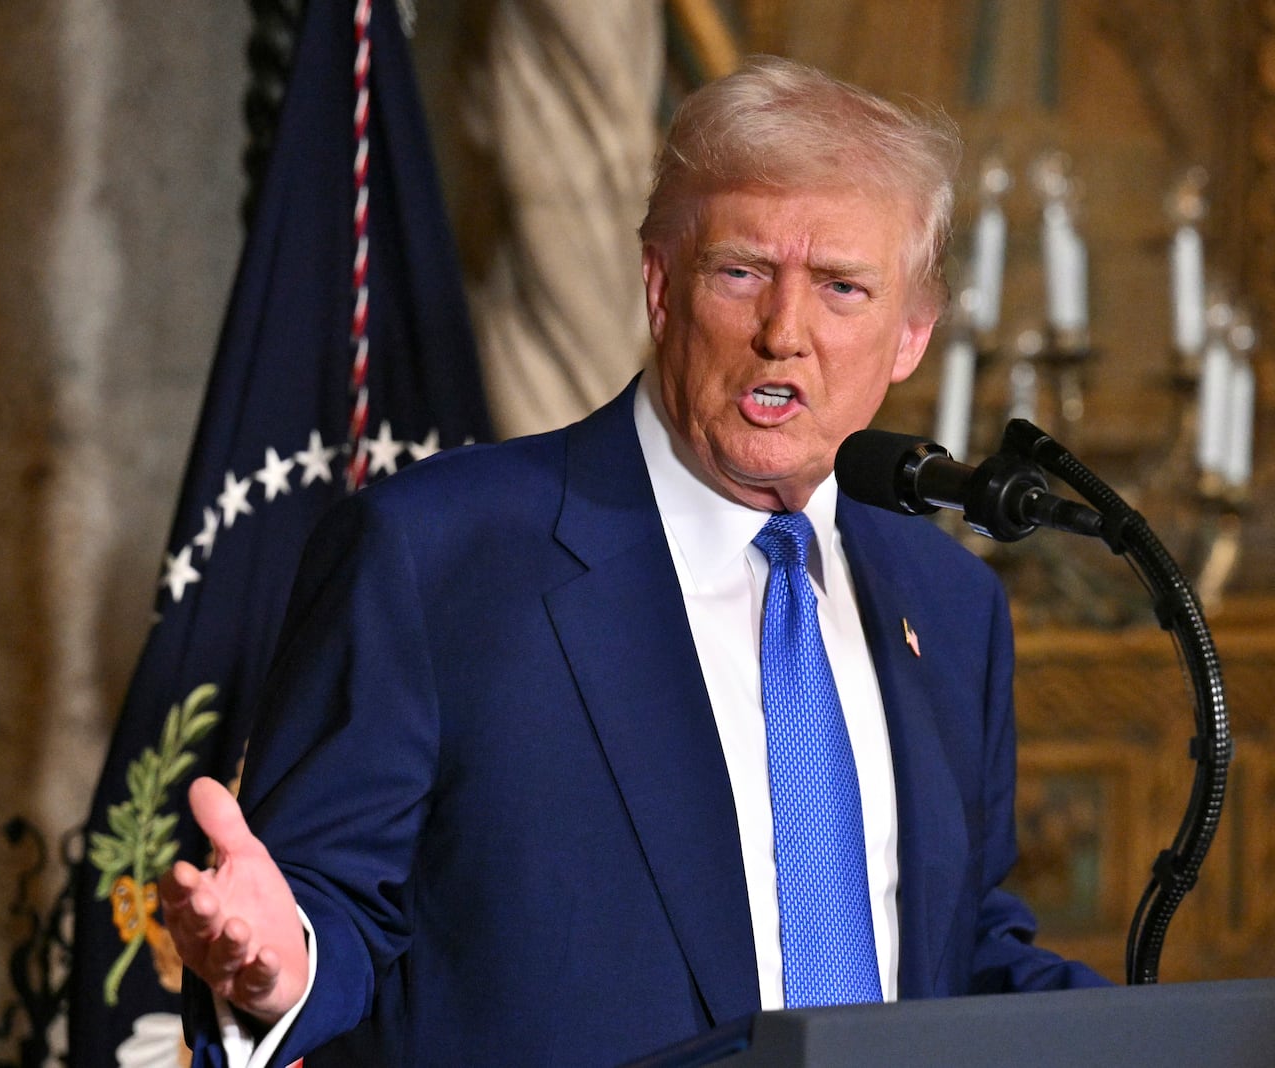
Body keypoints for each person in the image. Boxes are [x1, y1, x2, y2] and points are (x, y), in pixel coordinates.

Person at [161, 55, 1107, 1068]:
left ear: (911, 334)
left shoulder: (949, 604)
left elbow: (957, 949)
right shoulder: (435, 554)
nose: (783, 333)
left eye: (841, 287)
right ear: (660, 287)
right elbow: (328, 904)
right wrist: (281, 965)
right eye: (741, 272)